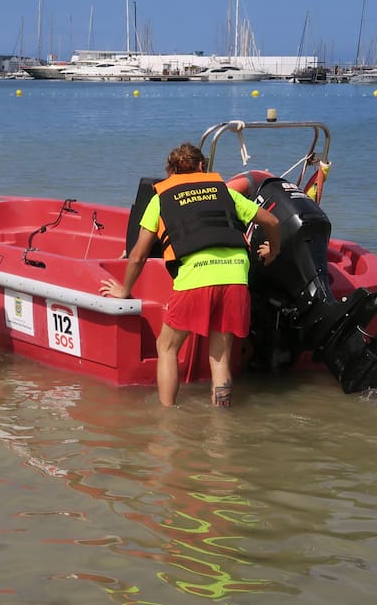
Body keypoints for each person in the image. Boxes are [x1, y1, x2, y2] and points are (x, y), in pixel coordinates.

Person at [100, 143, 281, 408]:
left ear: (170, 171)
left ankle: (167, 416)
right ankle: (221, 421)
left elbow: (138, 255)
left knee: (166, 348)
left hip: (196, 279)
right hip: (235, 278)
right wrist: (273, 251)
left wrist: (124, 290)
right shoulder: (226, 193)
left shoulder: (160, 199)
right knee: (220, 359)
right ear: (201, 166)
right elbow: (272, 221)